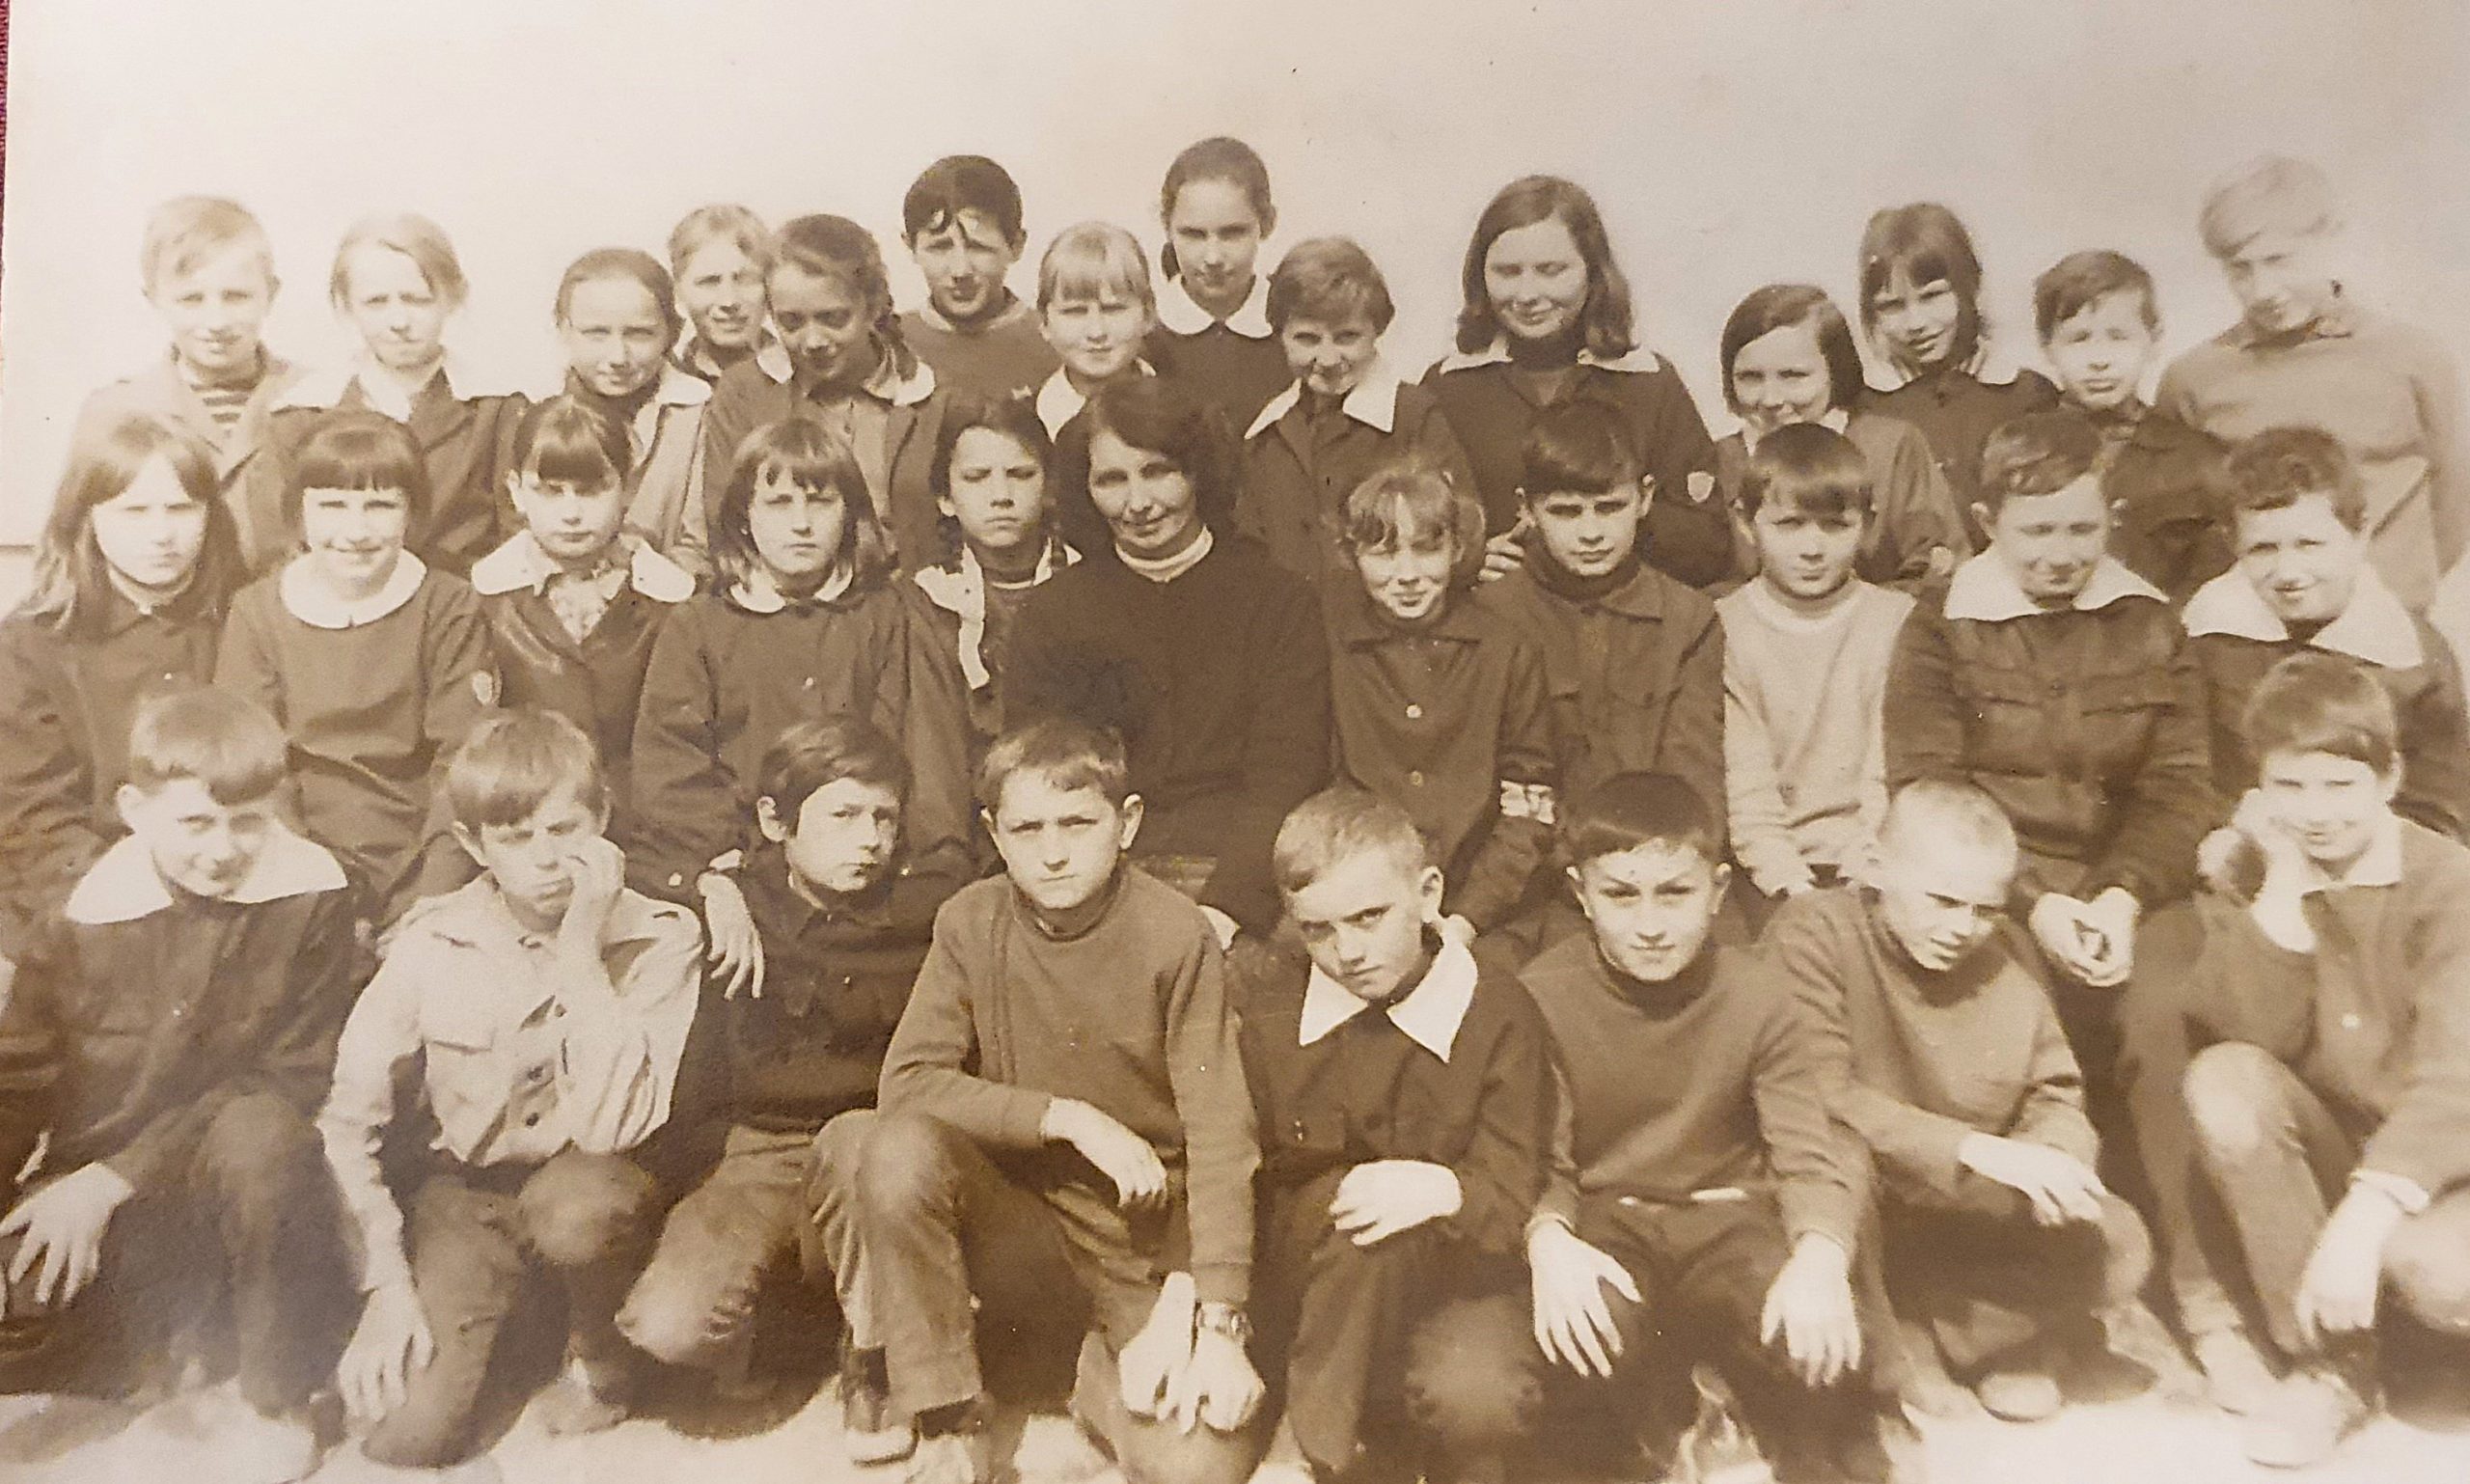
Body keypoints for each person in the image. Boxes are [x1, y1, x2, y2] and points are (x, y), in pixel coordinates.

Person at [855, 718, 1269, 1484]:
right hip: (1022, 1226)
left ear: (1128, 823)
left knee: (1198, 1470)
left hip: (1137, 1247)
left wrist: (1218, 1319)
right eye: (1027, 829)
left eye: (1078, 824)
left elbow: (1222, 1133)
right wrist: (1066, 1118)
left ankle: (1087, 1372)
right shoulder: (970, 921)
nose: (1053, 852)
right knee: (898, 1149)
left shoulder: (1176, 935)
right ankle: (949, 1417)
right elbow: (907, 1082)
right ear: (995, 834)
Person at [318, 710, 703, 1469]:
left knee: (578, 1211)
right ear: (473, 846)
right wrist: (384, 1287)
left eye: (565, 830)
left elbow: (613, 1126)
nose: (548, 859)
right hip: (471, 1197)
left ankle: (598, 1343)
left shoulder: (661, 935)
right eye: (517, 838)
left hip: (593, 1185)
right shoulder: (431, 941)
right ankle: (512, 1322)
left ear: (602, 819)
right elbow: (347, 1123)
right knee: (407, 1433)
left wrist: (581, 947)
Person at [0, 686, 359, 1484]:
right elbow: (16, 1088)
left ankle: (278, 1395)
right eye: (196, 823)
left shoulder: (312, 896)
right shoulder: (78, 917)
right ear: (135, 810)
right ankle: (166, 1347)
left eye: (248, 822)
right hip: (116, 1201)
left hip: (247, 1183)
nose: (224, 850)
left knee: (262, 1137)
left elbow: (292, 1076)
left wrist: (114, 1176)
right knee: (24, 1312)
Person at [1513, 772, 1893, 1483]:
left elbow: (1804, 1151)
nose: (1650, 924)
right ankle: (1663, 1418)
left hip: (1726, 1219)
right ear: (1581, 894)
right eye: (1621, 895)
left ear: (1718, 891)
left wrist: (1818, 1256)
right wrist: (1550, 1239)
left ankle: (1779, 1426)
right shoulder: (1542, 995)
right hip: (1609, 1221)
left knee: (1821, 1339)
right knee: (1578, 1338)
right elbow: (1543, 1157)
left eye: (1675, 893)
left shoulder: (1759, 993)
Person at [1770, 780, 2154, 1422]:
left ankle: (1966, 1335)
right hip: (1850, 1195)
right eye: (1942, 901)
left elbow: (2054, 1092)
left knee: (2119, 1238)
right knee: (1837, 1161)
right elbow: (1818, 1091)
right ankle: (1898, 1344)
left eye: (1984, 910)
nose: (1962, 929)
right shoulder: (1815, 932)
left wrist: (2055, 1159)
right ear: (1876, 866)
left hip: (1952, 1205)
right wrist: (1978, 1150)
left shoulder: (2003, 961)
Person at [617, 720, 947, 1467]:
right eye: (843, 815)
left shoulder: (921, 911)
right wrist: (709, 884)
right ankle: (785, 1328)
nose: (869, 840)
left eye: (884, 817)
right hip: (757, 1152)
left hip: (869, 1145)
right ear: (775, 821)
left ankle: (874, 1357)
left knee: (866, 1145)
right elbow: (626, 867)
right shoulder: (741, 903)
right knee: (670, 1325)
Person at [2177, 653, 2470, 1468]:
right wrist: (2281, 889)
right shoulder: (2257, 871)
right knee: (2224, 1081)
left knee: (2442, 1275)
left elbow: (2460, 1080)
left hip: (2446, 1164)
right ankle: (2335, 1367)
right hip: (2346, 1147)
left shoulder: (2449, 883)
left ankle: (2419, 1336)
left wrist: (2365, 1217)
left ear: (2390, 778)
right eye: (2289, 787)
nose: (2315, 813)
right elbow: (2241, 1033)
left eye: (2339, 785)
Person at [1230, 789, 1555, 1484]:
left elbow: (1515, 1195)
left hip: (1459, 1277)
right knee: (1361, 1220)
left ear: (1428, 893)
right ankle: (1305, 1453)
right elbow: (1236, 1169)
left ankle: (1308, 1450)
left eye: (1369, 918)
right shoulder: (1272, 1005)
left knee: (1481, 1396)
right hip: (1311, 1282)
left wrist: (1444, 1190)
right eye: (1317, 930)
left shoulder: (1497, 1009)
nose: (1347, 951)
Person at [1006, 379, 1330, 937]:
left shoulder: (1279, 602)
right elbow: (1043, 776)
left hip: (1247, 875)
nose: (1138, 504)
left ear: (1199, 472)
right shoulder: (1052, 613)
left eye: (1158, 472)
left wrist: (1226, 911)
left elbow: (1285, 776)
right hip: (1097, 877)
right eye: (1112, 480)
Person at [630, 415, 974, 928]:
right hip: (751, 876)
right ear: (744, 517)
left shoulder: (892, 615)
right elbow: (671, 770)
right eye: (778, 503)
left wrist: (928, 869)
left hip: (876, 867)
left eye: (820, 502)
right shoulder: (698, 625)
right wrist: (736, 861)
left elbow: (930, 758)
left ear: (850, 514)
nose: (801, 524)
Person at [214, 409, 492, 927]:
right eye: (332, 505)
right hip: (293, 862)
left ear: (412, 514)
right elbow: (255, 770)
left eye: (380, 505)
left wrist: (428, 901)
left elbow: (464, 762)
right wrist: (314, 893)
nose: (356, 531)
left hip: (421, 860)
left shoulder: (448, 605)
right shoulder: (258, 611)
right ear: (299, 514)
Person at [2157, 155, 2468, 611]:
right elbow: (2177, 528)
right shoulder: (2193, 379)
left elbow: (2454, 506)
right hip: (2250, 632)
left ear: (2328, 241)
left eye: (2279, 260)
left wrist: (2393, 598)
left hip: (2386, 624)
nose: (2263, 290)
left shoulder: (2415, 358)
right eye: (2240, 269)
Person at [0, 411, 246, 931]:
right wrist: (136, 899)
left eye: (181, 509)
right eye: (134, 511)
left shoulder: (248, 619)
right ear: (86, 518)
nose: (161, 534)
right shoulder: (31, 644)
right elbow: (36, 817)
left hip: (236, 873)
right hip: (92, 891)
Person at [1423, 176, 1729, 587]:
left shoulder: (1647, 383)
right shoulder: (1449, 387)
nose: (1527, 294)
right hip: (1495, 612)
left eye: (1551, 271)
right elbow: (1413, 520)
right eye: (1508, 272)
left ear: (1593, 272)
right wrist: (1465, 560)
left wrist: (1600, 534)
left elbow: (1706, 544)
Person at [2183, 426, 2470, 840]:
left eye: (2310, 544)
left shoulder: (2413, 657)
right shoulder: (2204, 636)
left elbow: (2442, 813)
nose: (2288, 573)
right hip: (2235, 847)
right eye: (2263, 549)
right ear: (2233, 543)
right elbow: (2182, 780)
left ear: (2360, 533)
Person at [1479, 400, 1722, 852]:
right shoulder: (1492, 615)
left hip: (1652, 860)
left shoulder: (1688, 619)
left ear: (1645, 498)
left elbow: (1696, 777)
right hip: (1526, 864)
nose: (1591, 533)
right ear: (1526, 509)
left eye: (1610, 508)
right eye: (1566, 512)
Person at [1325, 464, 1556, 933]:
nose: (1407, 575)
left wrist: (1469, 918)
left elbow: (1530, 803)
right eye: (1384, 554)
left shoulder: (1506, 649)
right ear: (1352, 556)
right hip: (1358, 894)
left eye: (1427, 550)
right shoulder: (1331, 649)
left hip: (1487, 904)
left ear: (1457, 549)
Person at [470, 396, 698, 859]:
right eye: (550, 491)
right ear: (516, 491)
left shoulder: (669, 600)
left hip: (647, 832)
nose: (571, 513)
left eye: (592, 490)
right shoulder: (486, 598)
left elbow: (679, 743)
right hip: (529, 829)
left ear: (628, 488)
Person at [256, 213, 527, 576]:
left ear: (454, 297)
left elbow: (520, 539)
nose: (399, 321)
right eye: (376, 302)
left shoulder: (497, 410)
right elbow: (282, 548)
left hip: (466, 599)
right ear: (345, 305)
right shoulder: (303, 414)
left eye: (418, 300)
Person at [1716, 423, 1916, 912]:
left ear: (1867, 524)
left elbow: (1888, 772)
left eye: (1835, 526)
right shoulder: (1725, 627)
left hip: (1878, 858)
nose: (1812, 548)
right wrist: (1791, 886)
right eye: (1789, 525)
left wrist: (1864, 872)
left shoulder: (1897, 621)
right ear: (1746, 523)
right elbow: (1747, 788)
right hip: (1766, 868)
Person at [698, 214, 947, 569]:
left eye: (833, 318)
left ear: (873, 306)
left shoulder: (929, 396)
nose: (813, 340)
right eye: (791, 322)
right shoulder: (745, 391)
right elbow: (726, 524)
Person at [71, 196, 307, 563]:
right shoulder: (115, 411)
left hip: (284, 598)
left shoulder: (315, 399)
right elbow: (75, 546)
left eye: (236, 297)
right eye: (191, 299)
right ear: (154, 299)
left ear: (271, 293)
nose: (216, 322)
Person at [1236, 235, 1476, 595]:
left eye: (1347, 337)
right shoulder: (1266, 433)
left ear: (1376, 331)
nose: (1328, 359)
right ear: (1280, 335)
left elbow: (1463, 532)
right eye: (1307, 339)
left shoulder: (1413, 416)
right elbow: (1250, 546)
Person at [1711, 283, 1965, 587]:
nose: (1771, 399)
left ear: (1836, 371)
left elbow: (1939, 570)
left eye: (1793, 376)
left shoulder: (1891, 446)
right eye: (1750, 378)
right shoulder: (1719, 461)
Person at [2031, 250, 2231, 603]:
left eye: (2118, 337)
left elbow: (2216, 589)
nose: (2099, 360)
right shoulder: (2023, 452)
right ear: (2047, 347)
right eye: (2079, 339)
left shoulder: (2201, 461)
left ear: (2153, 340)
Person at [1856, 203, 2060, 536]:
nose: (1916, 323)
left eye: (1932, 296)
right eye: (1892, 306)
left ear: (1969, 285)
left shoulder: (2026, 394)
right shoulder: (1866, 404)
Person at [910, 391, 1079, 750]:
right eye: (976, 477)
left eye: (1020, 475)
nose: (1001, 495)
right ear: (945, 498)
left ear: (1049, 488)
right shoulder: (924, 602)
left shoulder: (1087, 586)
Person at [545, 247, 716, 573]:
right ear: (564, 330)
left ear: (672, 333)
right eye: (596, 333)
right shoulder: (533, 409)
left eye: (639, 334)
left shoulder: (698, 414)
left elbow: (699, 545)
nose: (618, 357)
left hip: (668, 593)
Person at [1147, 137, 1291, 436]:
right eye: (1193, 235)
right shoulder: (1143, 332)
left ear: (1267, 223)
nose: (1213, 257)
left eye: (1232, 233)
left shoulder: (1296, 327)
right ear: (1166, 226)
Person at [899, 155, 1058, 401]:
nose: (960, 270)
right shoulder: (891, 345)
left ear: (1016, 245)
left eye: (978, 247)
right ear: (911, 247)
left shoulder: (1055, 342)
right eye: (940, 247)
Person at [1029, 220, 1158, 487]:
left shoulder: (1184, 410)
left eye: (1113, 309)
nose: (1096, 331)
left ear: (1148, 313)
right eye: (1074, 312)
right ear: (1044, 322)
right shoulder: (1029, 425)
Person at [667, 204, 775, 385]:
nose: (729, 301)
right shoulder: (665, 385)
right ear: (678, 291)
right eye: (709, 282)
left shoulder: (801, 376)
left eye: (745, 280)